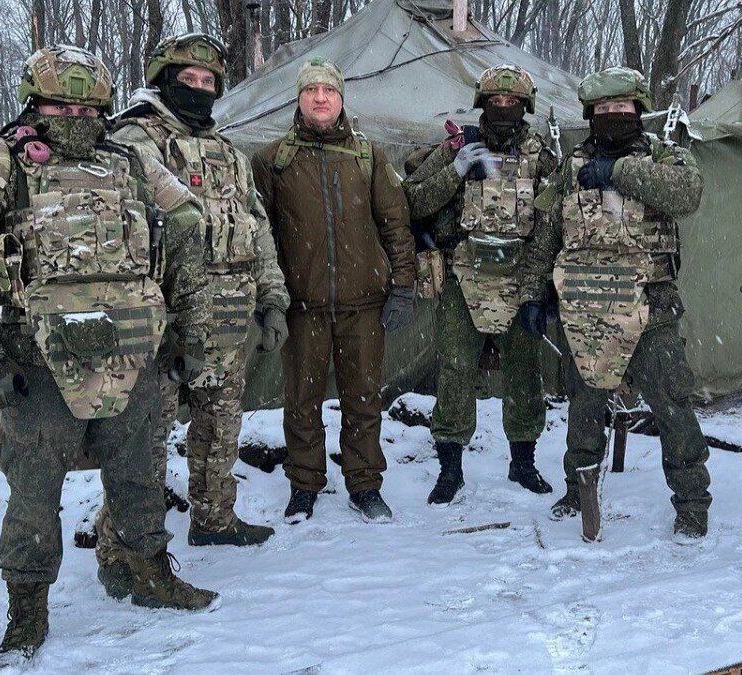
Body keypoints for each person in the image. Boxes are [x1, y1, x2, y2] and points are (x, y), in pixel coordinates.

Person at [0, 46, 219, 669]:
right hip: (38, 364)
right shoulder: (4, 161)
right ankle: (27, 611)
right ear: (35, 104)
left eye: (89, 107)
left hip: (133, 356)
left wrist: (190, 340)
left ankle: (147, 574)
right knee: (34, 491)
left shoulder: (133, 160)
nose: (76, 116)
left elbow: (189, 235)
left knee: (140, 475)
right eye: (62, 105)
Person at [88, 33, 289, 599]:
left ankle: (214, 520)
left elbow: (258, 229)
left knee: (221, 423)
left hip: (230, 312)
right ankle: (122, 549)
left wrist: (273, 298)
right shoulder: (134, 140)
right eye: (187, 80)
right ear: (163, 80)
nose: (198, 89)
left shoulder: (229, 151)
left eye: (208, 82)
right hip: (164, 318)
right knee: (145, 439)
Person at [519, 66, 713, 539]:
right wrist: (532, 292)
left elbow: (688, 195)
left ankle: (691, 502)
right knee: (584, 408)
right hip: (584, 311)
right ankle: (577, 489)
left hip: (650, 308)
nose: (612, 116)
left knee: (672, 405)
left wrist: (620, 172)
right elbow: (547, 233)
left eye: (621, 108)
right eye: (602, 110)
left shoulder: (665, 158)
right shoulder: (570, 169)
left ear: (638, 112)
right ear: (590, 115)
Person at [251, 57, 416, 524]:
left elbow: (395, 225)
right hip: (302, 306)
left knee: (363, 400)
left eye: (329, 90)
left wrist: (403, 287)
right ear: (299, 100)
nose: (320, 97)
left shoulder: (368, 156)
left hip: (364, 306)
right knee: (301, 402)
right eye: (311, 90)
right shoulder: (273, 160)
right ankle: (304, 484)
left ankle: (365, 485)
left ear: (342, 100)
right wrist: (269, 300)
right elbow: (259, 234)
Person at [402, 64, 557, 505]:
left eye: (512, 103)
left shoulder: (540, 154)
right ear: (482, 104)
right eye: (496, 102)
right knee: (454, 370)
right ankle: (450, 468)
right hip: (462, 277)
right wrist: (455, 169)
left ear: (524, 107)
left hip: (519, 278)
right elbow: (410, 200)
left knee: (525, 372)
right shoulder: (457, 145)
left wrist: (542, 288)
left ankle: (523, 461)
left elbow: (555, 217)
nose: (503, 109)